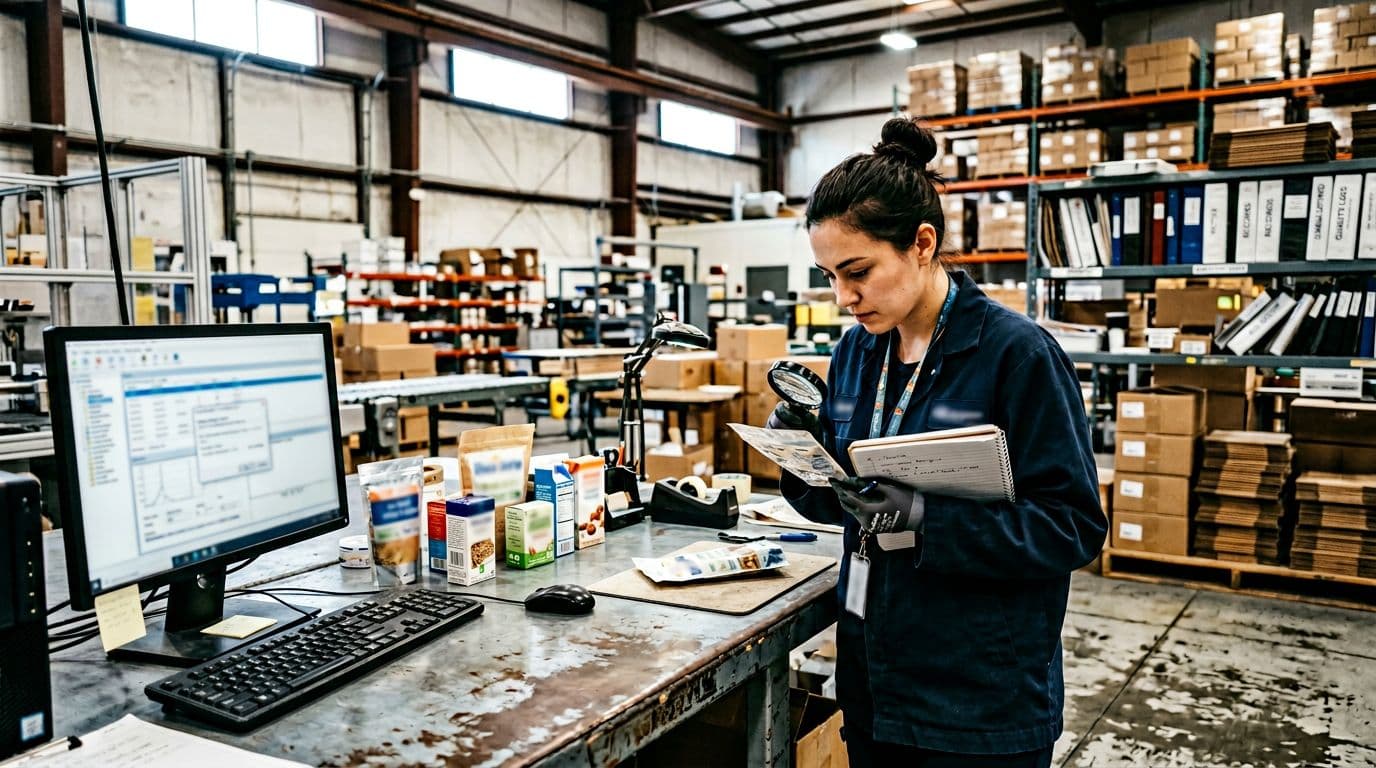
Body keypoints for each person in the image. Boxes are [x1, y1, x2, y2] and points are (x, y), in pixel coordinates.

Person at [768, 116, 1107, 768]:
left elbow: (1072, 527)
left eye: (857, 270)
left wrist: (928, 522)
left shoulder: (1017, 356)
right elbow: (838, 502)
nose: (843, 296)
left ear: (922, 243)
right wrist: (802, 456)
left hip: (979, 702)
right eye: (829, 274)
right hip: (877, 684)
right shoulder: (856, 354)